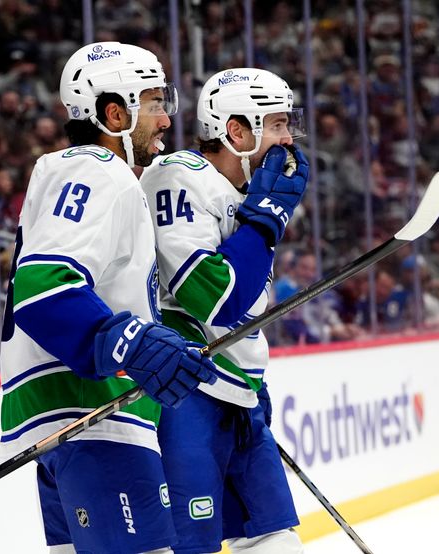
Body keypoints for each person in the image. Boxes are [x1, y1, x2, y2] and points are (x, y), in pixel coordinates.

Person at [0, 42, 216, 554]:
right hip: (93, 417)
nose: (165, 120)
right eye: (154, 103)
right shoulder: (98, 169)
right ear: (113, 113)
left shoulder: (85, 174)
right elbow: (43, 286)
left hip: (69, 418)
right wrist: (130, 344)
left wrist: (147, 336)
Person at [140, 68, 308, 553]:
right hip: (186, 392)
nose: (287, 140)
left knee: (273, 536)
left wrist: (254, 377)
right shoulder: (180, 178)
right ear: (236, 131)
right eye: (276, 125)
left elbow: (244, 310)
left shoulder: (247, 193)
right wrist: (266, 223)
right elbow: (210, 296)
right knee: (190, 545)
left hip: (239, 391)